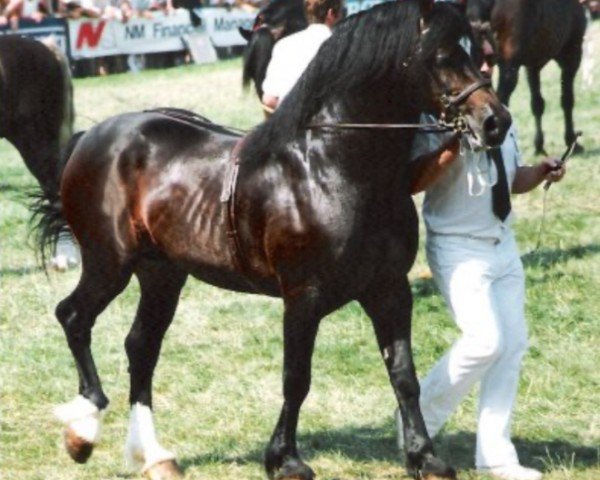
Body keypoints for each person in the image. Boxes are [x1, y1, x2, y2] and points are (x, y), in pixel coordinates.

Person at [395, 35, 567, 480]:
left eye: (490, 62)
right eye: (479, 63)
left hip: (502, 246)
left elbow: (512, 179)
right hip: (457, 247)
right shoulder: (433, 121)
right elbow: (413, 183)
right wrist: (448, 149)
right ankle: (414, 424)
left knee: (510, 347)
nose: (486, 69)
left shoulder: (499, 116)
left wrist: (542, 171)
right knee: (484, 342)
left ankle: (496, 455)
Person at [261, 0, 345, 112]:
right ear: (330, 14)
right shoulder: (343, 46)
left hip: (289, 124)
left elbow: (269, 100)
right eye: (341, 13)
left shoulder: (283, 45)